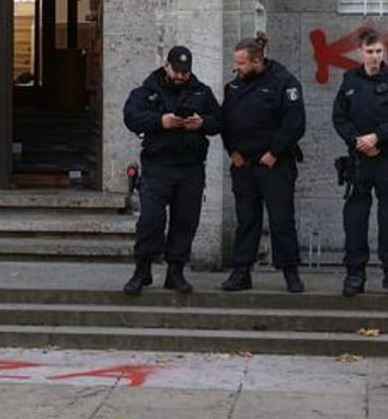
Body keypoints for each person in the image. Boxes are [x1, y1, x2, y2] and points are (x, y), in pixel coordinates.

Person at [121, 45, 222, 296]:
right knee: (150, 220)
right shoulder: (147, 90)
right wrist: (161, 121)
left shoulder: (201, 91)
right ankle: (142, 269)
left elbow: (219, 121)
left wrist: (201, 123)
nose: (180, 77)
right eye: (176, 71)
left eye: (185, 73)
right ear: (166, 65)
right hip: (159, 165)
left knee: (186, 220)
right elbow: (131, 117)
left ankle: (175, 271)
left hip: (191, 167)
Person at [219, 33, 307, 294]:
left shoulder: (284, 82)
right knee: (246, 219)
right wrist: (231, 150)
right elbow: (226, 121)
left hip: (274, 163)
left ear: (257, 61)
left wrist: (275, 152)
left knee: (281, 219)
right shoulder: (233, 86)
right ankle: (241, 272)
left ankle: (290, 272)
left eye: (241, 63)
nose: (236, 68)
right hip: (243, 164)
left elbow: (294, 123)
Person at [332, 29, 388, 299]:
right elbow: (339, 117)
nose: (375, 56)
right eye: (370, 52)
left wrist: (378, 137)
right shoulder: (350, 80)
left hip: (386, 160)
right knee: (355, 220)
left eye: (379, 51)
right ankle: (355, 275)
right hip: (358, 162)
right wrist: (357, 141)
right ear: (360, 53)